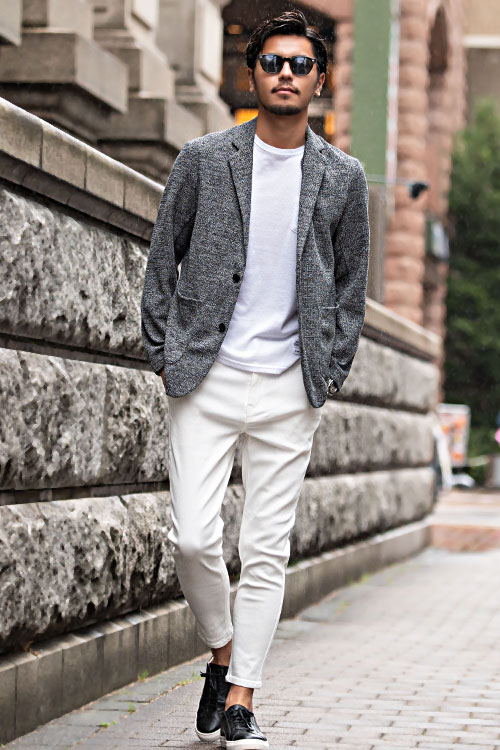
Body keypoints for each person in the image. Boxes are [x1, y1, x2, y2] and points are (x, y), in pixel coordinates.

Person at [140, 9, 370, 748]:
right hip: (205, 378)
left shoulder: (343, 177)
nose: (286, 75)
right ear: (252, 74)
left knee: (267, 550)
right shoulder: (204, 159)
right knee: (193, 538)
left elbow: (351, 286)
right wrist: (162, 351)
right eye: (273, 62)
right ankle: (221, 652)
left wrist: (329, 368)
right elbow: (162, 259)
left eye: (300, 64)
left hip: (289, 387)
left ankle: (241, 698)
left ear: (319, 79)